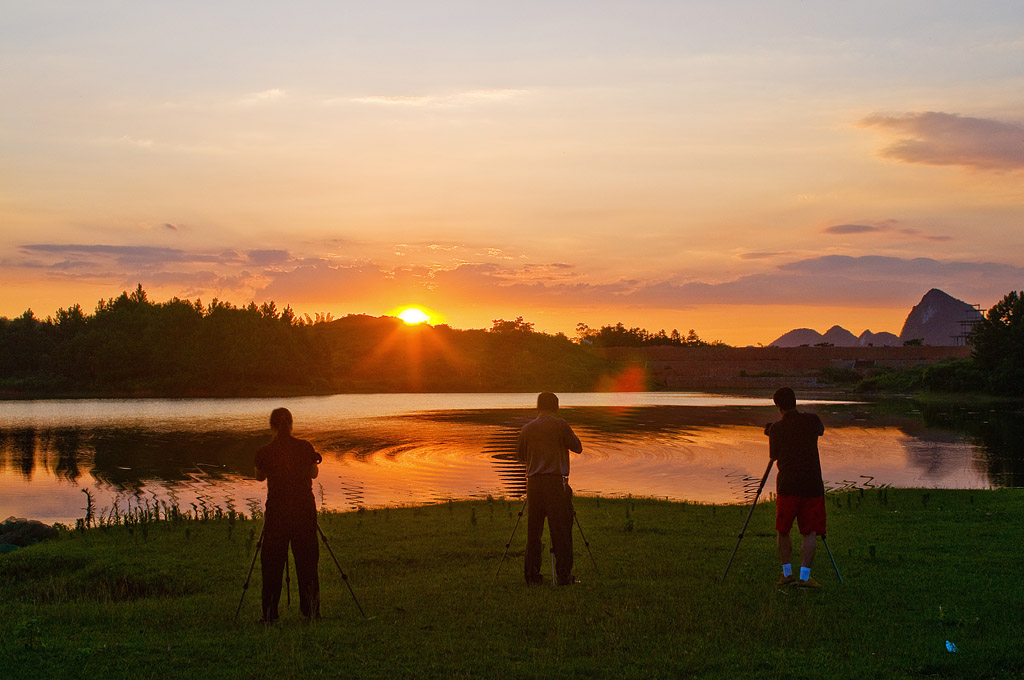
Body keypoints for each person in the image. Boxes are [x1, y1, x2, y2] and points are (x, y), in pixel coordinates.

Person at [254, 407, 322, 621]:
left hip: (277, 514)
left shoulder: (265, 451)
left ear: (271, 426)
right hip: (304, 511)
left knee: (272, 565)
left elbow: (259, 477)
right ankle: (311, 611)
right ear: (291, 424)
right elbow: (313, 473)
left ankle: (269, 614)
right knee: (307, 563)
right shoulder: (305, 447)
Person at [515, 392, 583, 585]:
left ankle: (532, 576)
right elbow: (577, 447)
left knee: (533, 532)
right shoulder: (561, 425)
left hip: (534, 484)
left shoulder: (527, 428)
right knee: (561, 531)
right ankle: (563, 576)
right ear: (557, 407)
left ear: (537, 407)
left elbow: (520, 456)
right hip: (556, 484)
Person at [765, 386, 826, 589]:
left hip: (787, 486)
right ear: (795, 402)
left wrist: (772, 432)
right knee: (809, 532)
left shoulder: (777, 429)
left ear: (778, 406)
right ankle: (805, 577)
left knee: (783, 531)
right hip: (812, 485)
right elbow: (821, 430)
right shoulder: (812, 420)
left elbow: (774, 456)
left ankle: (787, 574)